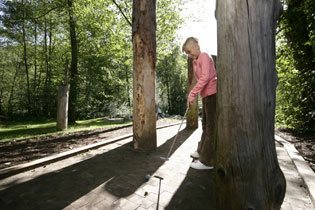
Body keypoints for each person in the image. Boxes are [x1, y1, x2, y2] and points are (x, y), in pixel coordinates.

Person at [182, 37, 217, 170]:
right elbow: (199, 81)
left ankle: (207, 161)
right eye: (187, 53)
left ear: (196, 46)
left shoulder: (204, 56)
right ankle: (201, 151)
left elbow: (206, 77)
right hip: (206, 95)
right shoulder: (196, 61)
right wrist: (195, 94)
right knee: (205, 125)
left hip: (212, 94)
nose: (189, 55)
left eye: (189, 52)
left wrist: (192, 93)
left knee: (211, 128)